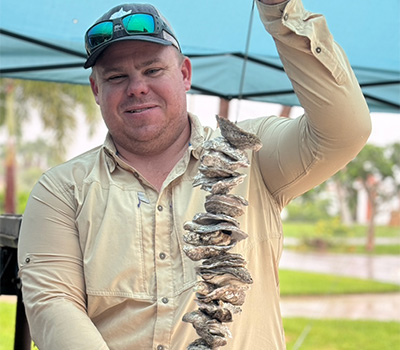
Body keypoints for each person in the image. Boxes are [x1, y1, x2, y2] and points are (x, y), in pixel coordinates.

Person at [17, 0, 371, 349]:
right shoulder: (61, 189)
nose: (137, 87)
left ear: (184, 74)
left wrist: (281, 10)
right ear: (97, 90)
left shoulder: (251, 151)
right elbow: (52, 304)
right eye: (116, 76)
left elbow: (345, 131)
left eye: (153, 70)